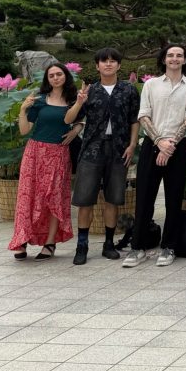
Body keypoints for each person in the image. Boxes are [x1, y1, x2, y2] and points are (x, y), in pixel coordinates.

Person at [123, 43, 186, 268]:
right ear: (164, 59)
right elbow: (144, 116)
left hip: (177, 147)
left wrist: (170, 144)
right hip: (152, 145)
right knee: (144, 197)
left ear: (184, 60)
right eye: (170, 55)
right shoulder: (151, 85)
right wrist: (159, 142)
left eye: (179, 55)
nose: (174, 59)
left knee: (174, 199)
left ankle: (169, 246)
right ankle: (138, 247)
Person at [67, 47, 139, 265]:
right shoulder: (89, 91)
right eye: (103, 61)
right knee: (85, 200)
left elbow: (135, 120)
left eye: (112, 61)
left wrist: (132, 144)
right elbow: (68, 118)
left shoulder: (129, 90)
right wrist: (79, 101)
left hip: (118, 150)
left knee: (113, 199)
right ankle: (82, 245)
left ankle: (109, 243)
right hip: (92, 149)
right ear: (97, 66)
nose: (108, 64)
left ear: (119, 65)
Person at [9, 63, 83, 259]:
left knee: (53, 198)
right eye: (52, 75)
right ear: (47, 79)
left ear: (66, 76)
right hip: (34, 152)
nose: (56, 78)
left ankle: (49, 244)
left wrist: (77, 129)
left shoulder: (73, 100)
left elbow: (72, 120)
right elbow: (25, 130)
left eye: (59, 74)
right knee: (28, 196)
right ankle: (22, 240)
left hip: (58, 154)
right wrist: (23, 110)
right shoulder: (39, 100)